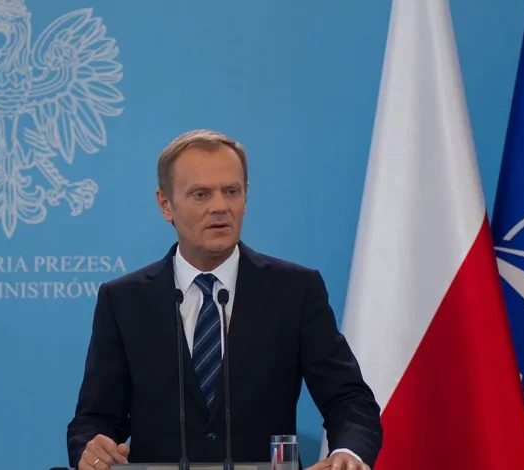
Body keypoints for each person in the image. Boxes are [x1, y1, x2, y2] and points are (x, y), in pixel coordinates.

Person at [66, 129, 382, 470]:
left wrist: (347, 455)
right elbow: (95, 418)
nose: (219, 206)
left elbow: (350, 400)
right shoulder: (124, 300)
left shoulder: (295, 290)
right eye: (200, 194)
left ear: (245, 197)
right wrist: (91, 447)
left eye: (230, 191)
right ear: (165, 204)